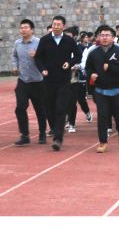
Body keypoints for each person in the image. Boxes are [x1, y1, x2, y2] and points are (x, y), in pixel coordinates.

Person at [35, 15, 79, 151]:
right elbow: (38, 58)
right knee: (49, 108)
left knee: (61, 108)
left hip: (63, 80)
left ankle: (57, 139)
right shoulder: (45, 40)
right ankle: (56, 128)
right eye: (54, 24)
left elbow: (78, 55)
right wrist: (42, 69)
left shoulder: (69, 41)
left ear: (63, 26)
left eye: (58, 24)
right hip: (48, 80)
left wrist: (69, 63)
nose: (55, 26)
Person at [85, 24, 119, 153]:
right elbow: (88, 68)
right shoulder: (94, 53)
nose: (104, 38)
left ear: (113, 37)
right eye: (102, 35)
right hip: (100, 90)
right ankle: (103, 142)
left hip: (117, 90)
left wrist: (110, 67)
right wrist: (91, 74)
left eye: (107, 35)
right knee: (102, 117)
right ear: (98, 37)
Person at [12, 18, 48, 146]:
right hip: (23, 80)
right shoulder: (17, 43)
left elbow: (46, 57)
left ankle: (42, 133)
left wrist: (37, 55)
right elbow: (14, 56)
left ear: (32, 30)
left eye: (26, 27)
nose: (23, 30)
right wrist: (15, 66)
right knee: (20, 108)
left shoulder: (39, 43)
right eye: (21, 28)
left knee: (40, 109)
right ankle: (24, 135)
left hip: (37, 81)